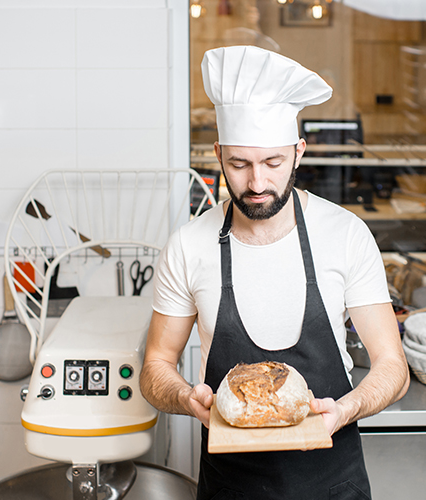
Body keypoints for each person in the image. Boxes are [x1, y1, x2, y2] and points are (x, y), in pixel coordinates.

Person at [140, 45, 409, 500]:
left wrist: (345, 410)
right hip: (232, 487)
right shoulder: (189, 244)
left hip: (333, 483)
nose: (258, 184)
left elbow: (393, 367)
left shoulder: (344, 234)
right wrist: (186, 397)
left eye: (273, 163)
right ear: (218, 153)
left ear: (298, 152)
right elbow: (154, 367)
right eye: (239, 165)